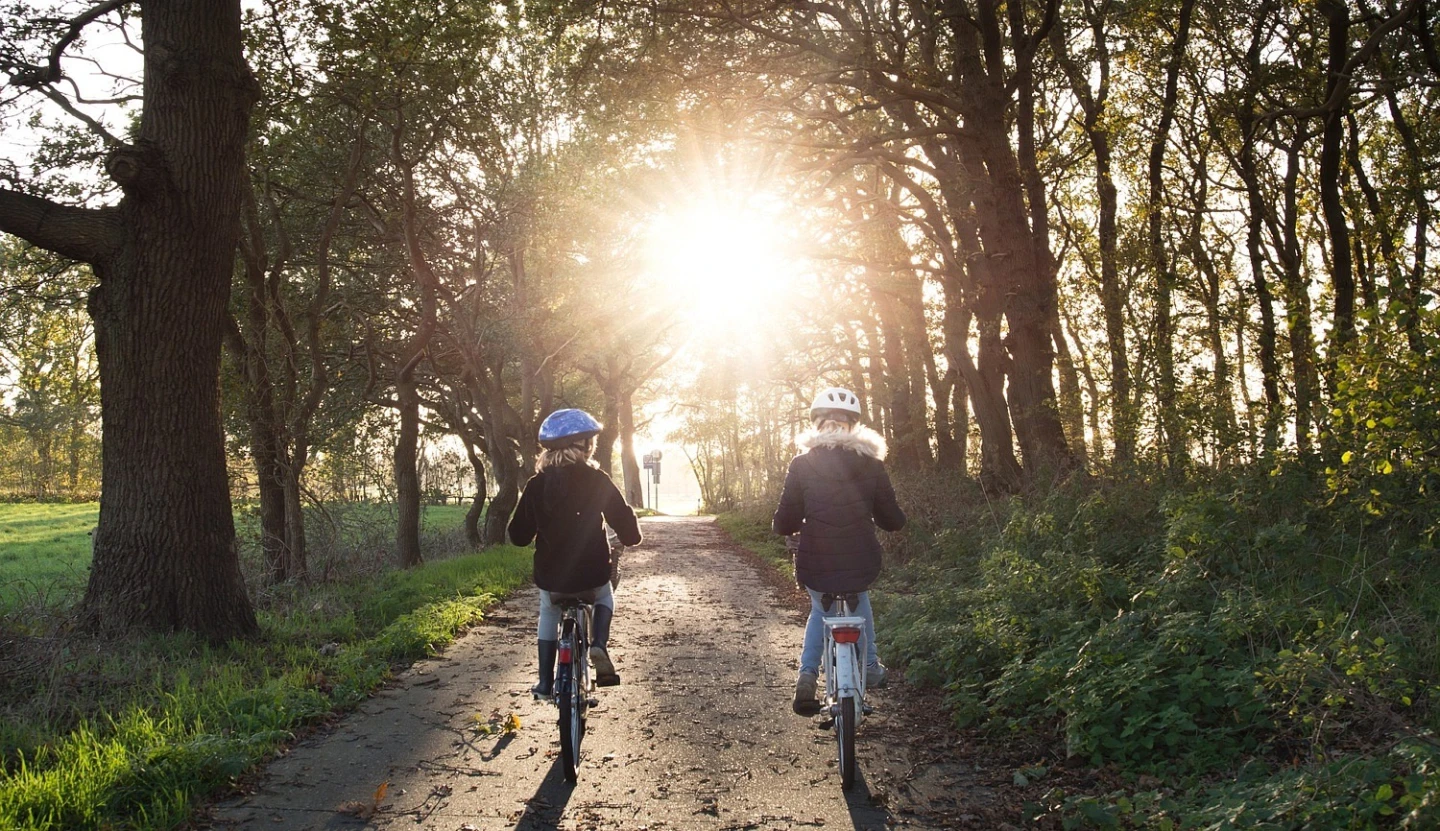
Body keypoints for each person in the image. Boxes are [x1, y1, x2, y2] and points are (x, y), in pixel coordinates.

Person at [772, 386, 907, 716]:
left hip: (814, 561)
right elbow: (893, 520)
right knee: (859, 598)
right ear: (854, 426)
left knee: (821, 608)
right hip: (861, 558)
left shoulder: (802, 464)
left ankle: (807, 676)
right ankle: (871, 665)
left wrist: (787, 525)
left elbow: (784, 520)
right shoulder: (872, 464)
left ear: (817, 424)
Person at [509, 408, 642, 698]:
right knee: (605, 596)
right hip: (592, 575)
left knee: (548, 610)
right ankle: (599, 645)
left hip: (551, 578)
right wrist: (629, 534)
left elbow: (517, 537)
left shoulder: (536, 486)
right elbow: (629, 531)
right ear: (585, 446)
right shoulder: (598, 480)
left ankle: (545, 683)